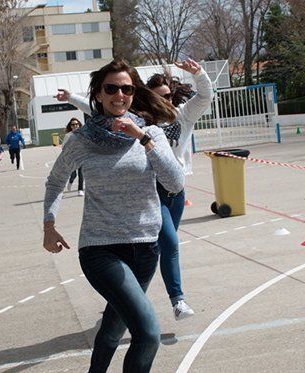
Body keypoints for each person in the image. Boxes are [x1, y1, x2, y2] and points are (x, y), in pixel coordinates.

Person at [43, 59, 183, 373]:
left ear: (134, 93)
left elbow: (174, 184)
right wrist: (49, 223)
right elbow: (55, 181)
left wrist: (145, 140)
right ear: (98, 95)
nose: (118, 95)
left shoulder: (151, 132)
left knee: (113, 326)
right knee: (148, 333)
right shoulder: (83, 140)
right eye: (110, 89)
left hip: (145, 248)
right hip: (101, 250)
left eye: (125, 89)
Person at [56, 59, 213, 321]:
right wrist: (72, 98)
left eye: (169, 96)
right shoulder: (144, 121)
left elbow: (206, 96)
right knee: (171, 242)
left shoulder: (184, 115)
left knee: (156, 248)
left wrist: (199, 74)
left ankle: (129, 301)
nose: (166, 100)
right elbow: (97, 108)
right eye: (160, 96)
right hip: (153, 189)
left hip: (177, 192)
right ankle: (178, 300)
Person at [63, 117, 84, 195]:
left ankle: (80, 190)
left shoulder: (83, 133)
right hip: (72, 157)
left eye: (76, 124)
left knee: (81, 174)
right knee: (73, 174)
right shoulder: (68, 136)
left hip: (81, 156)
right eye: (73, 124)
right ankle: (70, 182)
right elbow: (63, 147)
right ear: (70, 126)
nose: (75, 125)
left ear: (79, 125)